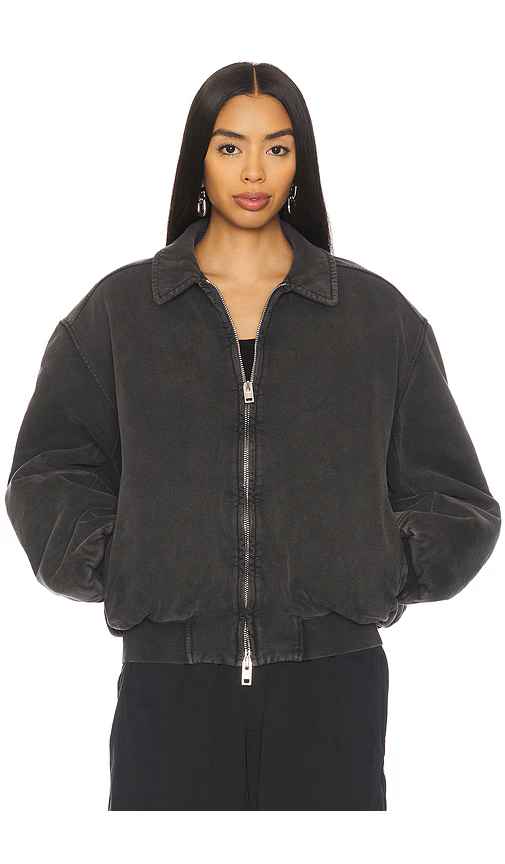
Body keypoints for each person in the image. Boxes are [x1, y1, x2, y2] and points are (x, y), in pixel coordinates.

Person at [4, 62, 501, 811]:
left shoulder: (374, 318)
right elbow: (46, 472)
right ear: (199, 160)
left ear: (300, 163)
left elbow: (457, 499)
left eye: (277, 147)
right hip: (167, 682)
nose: (253, 171)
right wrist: (125, 560)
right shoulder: (120, 314)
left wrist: (373, 564)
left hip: (335, 685)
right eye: (230, 146)